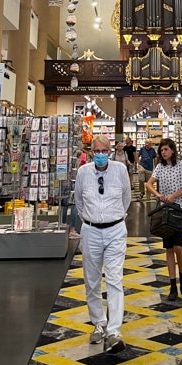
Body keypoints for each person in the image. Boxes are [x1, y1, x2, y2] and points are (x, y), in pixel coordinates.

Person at [74, 135, 131, 353]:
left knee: (115, 279)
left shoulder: (119, 170)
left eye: (103, 151)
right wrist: (90, 219)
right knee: (92, 279)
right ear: (90, 152)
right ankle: (99, 322)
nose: (99, 155)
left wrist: (115, 217)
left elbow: (126, 199)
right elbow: (79, 201)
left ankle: (114, 331)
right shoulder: (83, 173)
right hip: (91, 230)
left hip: (116, 229)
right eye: (95, 151)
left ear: (109, 151)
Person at [147, 139, 182, 301]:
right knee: (169, 249)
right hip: (164, 211)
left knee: (178, 246)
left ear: (172, 150)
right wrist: (158, 195)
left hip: (179, 209)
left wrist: (174, 196)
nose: (163, 152)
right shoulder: (159, 167)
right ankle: (172, 285)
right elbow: (149, 184)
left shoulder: (181, 165)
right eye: (161, 150)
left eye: (165, 149)